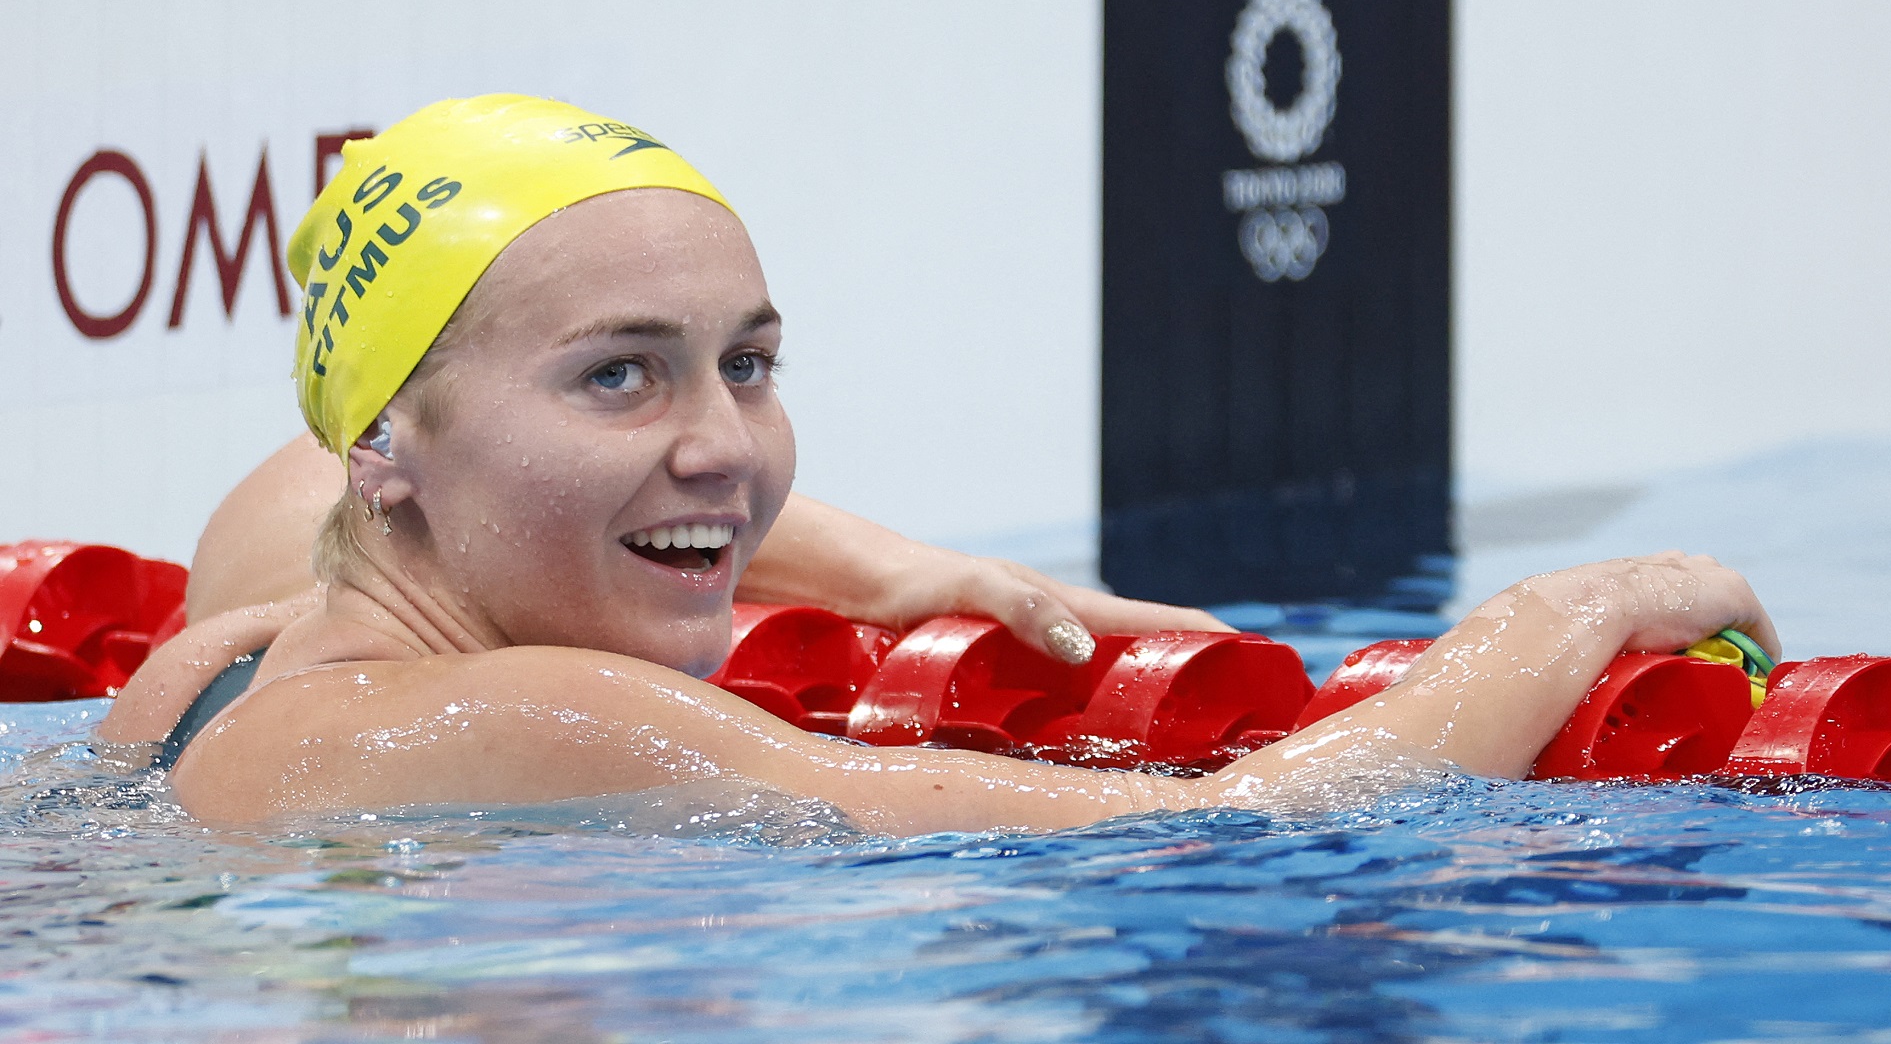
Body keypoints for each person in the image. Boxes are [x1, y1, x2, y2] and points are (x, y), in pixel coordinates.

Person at [97, 95, 1777, 832]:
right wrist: (1566, 616)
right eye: (619, 375)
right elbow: (1241, 823)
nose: (721, 445)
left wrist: (901, 574)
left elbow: (293, 485)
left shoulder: (211, 659)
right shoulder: (540, 716)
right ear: (388, 445)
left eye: (749, 365)